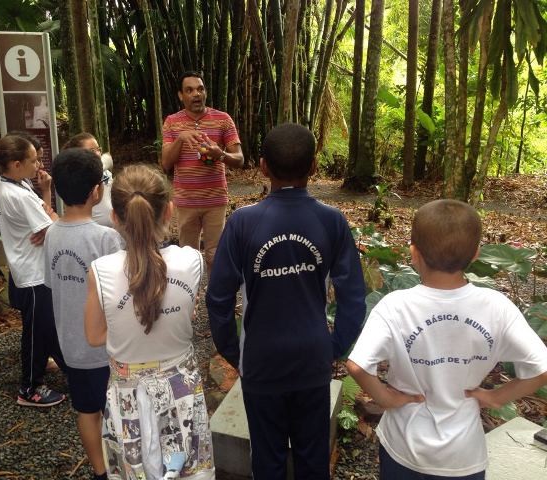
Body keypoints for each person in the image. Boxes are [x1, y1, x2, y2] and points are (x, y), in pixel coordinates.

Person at [206, 123, 366, 479]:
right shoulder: (331, 221)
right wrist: (333, 347)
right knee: (312, 457)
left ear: (263, 167)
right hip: (312, 358)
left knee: (267, 459)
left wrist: (235, 353)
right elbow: (354, 298)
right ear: (314, 167)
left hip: (261, 361)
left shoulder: (243, 223)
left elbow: (218, 299)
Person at [346, 199, 547, 479]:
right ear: (476, 254)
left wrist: (385, 398)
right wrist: (496, 397)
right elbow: (542, 369)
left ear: (414, 253)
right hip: (463, 455)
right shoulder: (496, 307)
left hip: (404, 446)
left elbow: (357, 365)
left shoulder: (395, 306)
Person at [84, 164, 215, 479]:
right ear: (169, 210)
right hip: (182, 395)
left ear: (115, 218)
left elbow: (94, 335)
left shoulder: (100, 271)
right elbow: (185, 312)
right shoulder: (191, 261)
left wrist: (128, 324)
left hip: (129, 402)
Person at [44, 148, 124, 480]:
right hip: (106, 347)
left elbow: (52, 284)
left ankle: (100, 470)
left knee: (86, 411)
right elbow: (121, 294)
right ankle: (125, 466)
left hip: (72, 346)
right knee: (118, 412)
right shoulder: (106, 238)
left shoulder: (51, 233)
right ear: (96, 191)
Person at [0, 135, 66, 407]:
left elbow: (47, 222)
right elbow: (55, 228)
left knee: (46, 326)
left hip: (31, 268)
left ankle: (70, 368)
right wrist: (51, 222)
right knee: (36, 331)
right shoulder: (17, 194)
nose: (39, 165)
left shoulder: (11, 184)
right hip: (34, 274)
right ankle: (29, 387)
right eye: (34, 160)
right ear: (17, 164)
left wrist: (47, 213)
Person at [161, 71, 244, 274]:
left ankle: (215, 294)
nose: (196, 94)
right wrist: (181, 139)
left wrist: (220, 154)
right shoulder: (172, 122)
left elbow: (240, 159)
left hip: (215, 200)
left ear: (205, 92)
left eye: (200, 89)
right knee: (188, 258)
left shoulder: (223, 119)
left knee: (215, 256)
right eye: (189, 90)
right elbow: (166, 163)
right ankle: (191, 294)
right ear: (181, 95)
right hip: (186, 202)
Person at [62, 133, 114, 228]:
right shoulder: (74, 180)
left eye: (98, 149)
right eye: (92, 151)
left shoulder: (106, 174)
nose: (98, 154)